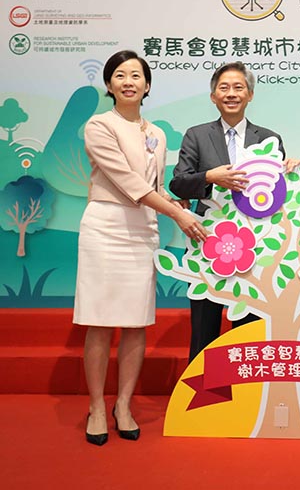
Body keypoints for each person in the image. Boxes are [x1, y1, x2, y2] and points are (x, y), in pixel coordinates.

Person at [73, 50, 207, 446]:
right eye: (120, 75)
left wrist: (179, 207)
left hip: (143, 229)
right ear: (110, 85)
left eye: (136, 75)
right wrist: (176, 214)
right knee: (99, 321)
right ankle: (98, 406)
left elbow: (155, 185)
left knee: (135, 322)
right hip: (105, 226)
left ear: (147, 85)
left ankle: (124, 404)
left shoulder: (157, 133)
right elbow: (129, 183)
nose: (128, 81)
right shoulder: (99, 126)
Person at [170, 62, 300, 362]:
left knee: (251, 331)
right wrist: (209, 177)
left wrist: (291, 172)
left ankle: (248, 400)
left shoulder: (269, 138)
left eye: (238, 87)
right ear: (213, 96)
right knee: (204, 327)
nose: (231, 94)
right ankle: (201, 400)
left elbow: (278, 194)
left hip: (257, 248)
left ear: (251, 94)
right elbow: (178, 183)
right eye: (224, 88)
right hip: (209, 244)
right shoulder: (197, 135)